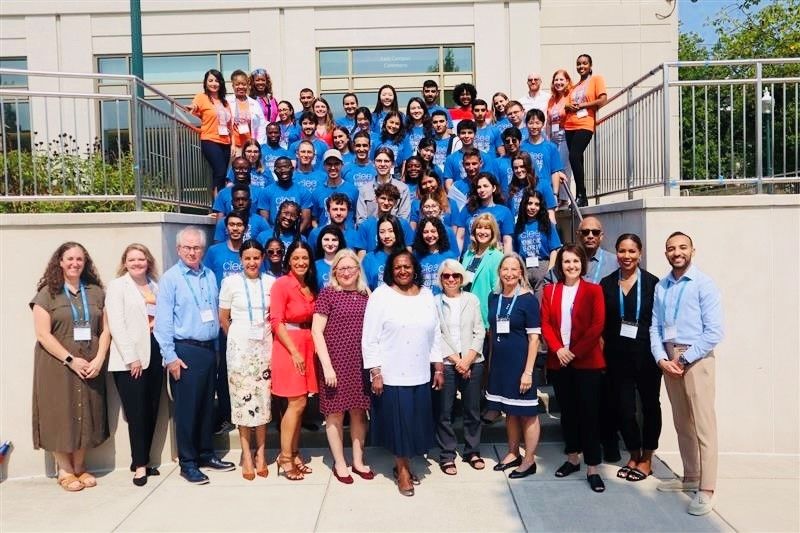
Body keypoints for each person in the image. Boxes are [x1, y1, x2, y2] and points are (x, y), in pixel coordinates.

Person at [154, 227, 235, 484]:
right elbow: (163, 322)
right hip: (184, 350)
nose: (192, 252)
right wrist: (170, 357)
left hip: (209, 349)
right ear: (178, 250)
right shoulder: (171, 279)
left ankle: (206, 453)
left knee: (205, 407)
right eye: (187, 247)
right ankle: (188, 462)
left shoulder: (209, 274)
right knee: (187, 410)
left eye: (197, 247)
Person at [650, 232, 723, 516]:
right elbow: (655, 327)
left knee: (704, 427)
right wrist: (661, 358)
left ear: (693, 250)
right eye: (671, 248)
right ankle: (690, 476)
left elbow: (714, 331)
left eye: (682, 247)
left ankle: (706, 489)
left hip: (697, 360)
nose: (676, 252)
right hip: (670, 361)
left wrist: (686, 359)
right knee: (682, 423)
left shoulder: (704, 284)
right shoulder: (662, 286)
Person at [362, 250, 444, 496]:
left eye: (407, 266)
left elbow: (435, 333)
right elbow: (370, 338)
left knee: (415, 424)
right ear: (390, 270)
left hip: (420, 372)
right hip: (392, 373)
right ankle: (403, 471)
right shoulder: (381, 296)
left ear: (414, 268)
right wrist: (375, 372)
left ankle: (405, 463)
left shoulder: (427, 295)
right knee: (400, 425)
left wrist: (438, 366)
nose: (402, 270)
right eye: (397, 267)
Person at [31, 242, 110, 492]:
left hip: (90, 363)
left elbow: (106, 329)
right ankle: (64, 470)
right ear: (60, 262)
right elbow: (43, 335)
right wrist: (70, 360)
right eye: (69, 259)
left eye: (79, 259)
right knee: (59, 412)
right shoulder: (48, 293)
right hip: (57, 365)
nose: (75, 263)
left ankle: (80, 466)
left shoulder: (96, 291)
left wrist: (99, 359)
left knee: (87, 410)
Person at [541, 244, 606, 493]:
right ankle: (572, 458)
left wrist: (574, 352)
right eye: (567, 262)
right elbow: (545, 322)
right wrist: (558, 348)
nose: (571, 266)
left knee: (588, 413)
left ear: (583, 264)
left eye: (576, 262)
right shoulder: (551, 290)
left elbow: (597, 325)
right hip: (559, 361)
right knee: (568, 411)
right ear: (560, 265)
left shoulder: (593, 290)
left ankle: (592, 467)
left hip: (586, 361)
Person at [599, 234, 661, 484]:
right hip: (616, 357)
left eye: (632, 251)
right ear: (616, 254)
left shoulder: (653, 283)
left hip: (647, 355)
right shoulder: (606, 283)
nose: (627, 256)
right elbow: (601, 323)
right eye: (622, 251)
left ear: (640, 253)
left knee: (649, 407)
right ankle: (634, 454)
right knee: (625, 409)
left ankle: (648, 458)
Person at [311, 249, 374, 484]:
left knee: (359, 413)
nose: (347, 272)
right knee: (335, 415)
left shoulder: (366, 294)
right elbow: (316, 331)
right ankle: (340, 463)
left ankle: (358, 460)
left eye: (352, 267)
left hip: (360, 364)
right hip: (335, 363)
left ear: (359, 270)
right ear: (334, 270)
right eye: (342, 268)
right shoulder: (328, 294)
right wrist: (327, 367)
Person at [106, 244, 163, 487]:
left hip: (155, 352)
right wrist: (132, 358)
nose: (137, 263)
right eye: (132, 259)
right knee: (137, 412)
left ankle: (144, 460)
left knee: (151, 409)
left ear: (148, 262)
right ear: (125, 262)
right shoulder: (118, 286)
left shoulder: (155, 285)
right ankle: (139, 467)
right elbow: (116, 324)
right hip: (131, 360)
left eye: (141, 259)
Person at [217, 240, 275, 480]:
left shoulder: (272, 282)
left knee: (263, 400)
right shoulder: (230, 283)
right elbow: (224, 318)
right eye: (247, 258)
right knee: (242, 402)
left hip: (265, 348)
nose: (252, 262)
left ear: (262, 258)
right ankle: (246, 455)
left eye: (256, 257)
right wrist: (238, 341)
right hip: (240, 350)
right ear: (241, 260)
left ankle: (261, 452)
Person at [486, 254, 542, 479]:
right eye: (505, 269)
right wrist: (490, 366)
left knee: (527, 413)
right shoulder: (493, 297)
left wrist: (528, 371)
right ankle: (512, 453)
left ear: (521, 272)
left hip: (521, 365)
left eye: (514, 269)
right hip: (500, 364)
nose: (509, 273)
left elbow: (534, 339)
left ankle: (528, 460)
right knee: (509, 410)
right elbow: (492, 334)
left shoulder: (528, 300)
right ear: (499, 271)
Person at [270, 240, 319, 480]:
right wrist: (294, 351)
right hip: (289, 347)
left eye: (305, 258)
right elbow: (276, 321)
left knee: (301, 404)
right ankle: (285, 457)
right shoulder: (282, 284)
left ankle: (295, 452)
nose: (301, 262)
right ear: (289, 260)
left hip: (307, 343)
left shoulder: (309, 285)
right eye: (296, 258)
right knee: (296, 403)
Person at [433, 259, 486, 476]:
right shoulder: (434, 302)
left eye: (455, 275)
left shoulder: (471, 300)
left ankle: (472, 451)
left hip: (473, 362)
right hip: (447, 363)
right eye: (446, 276)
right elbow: (436, 335)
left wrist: (468, 359)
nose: (451, 279)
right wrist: (457, 361)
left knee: (472, 410)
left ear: (462, 278)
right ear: (440, 279)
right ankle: (447, 454)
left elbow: (479, 330)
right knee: (444, 412)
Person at [564, 54, 607, 207]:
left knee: (574, 156)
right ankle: (581, 197)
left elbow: (603, 99)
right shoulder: (574, 87)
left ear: (590, 65)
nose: (581, 66)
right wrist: (567, 106)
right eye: (578, 64)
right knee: (578, 159)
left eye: (584, 63)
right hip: (569, 125)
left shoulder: (596, 80)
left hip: (585, 123)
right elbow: (567, 105)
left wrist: (583, 106)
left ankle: (582, 193)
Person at [187, 69, 232, 195]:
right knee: (220, 170)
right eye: (210, 80)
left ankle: (220, 204)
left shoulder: (225, 102)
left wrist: (232, 144)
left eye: (217, 81)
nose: (214, 83)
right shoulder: (202, 97)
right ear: (206, 83)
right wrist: (192, 107)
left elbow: (230, 124)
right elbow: (195, 105)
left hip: (226, 141)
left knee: (222, 175)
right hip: (210, 139)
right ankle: (217, 206)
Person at [514, 188, 562, 299]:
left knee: (541, 306)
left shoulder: (547, 224)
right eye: (530, 203)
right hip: (524, 269)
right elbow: (516, 251)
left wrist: (549, 271)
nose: (532, 207)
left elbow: (554, 249)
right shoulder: (519, 225)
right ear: (524, 204)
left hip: (542, 267)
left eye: (537, 204)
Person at [460, 213, 505, 331]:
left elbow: (497, 289)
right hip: (466, 312)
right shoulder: (468, 254)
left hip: (484, 315)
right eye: (479, 227)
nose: (482, 231)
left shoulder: (497, 256)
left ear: (493, 232)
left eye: (487, 228)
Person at [456, 172, 514, 253]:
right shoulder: (467, 209)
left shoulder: (504, 211)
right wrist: (457, 259)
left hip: (493, 258)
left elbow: (507, 240)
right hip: (469, 257)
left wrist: (506, 262)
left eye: (485, 186)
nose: (482, 190)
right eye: (479, 187)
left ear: (494, 188)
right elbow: (460, 237)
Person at [521, 108, 567, 202]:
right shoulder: (522, 147)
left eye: (537, 123)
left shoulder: (551, 147)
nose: (534, 126)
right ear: (526, 124)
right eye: (530, 123)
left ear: (542, 124)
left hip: (546, 192)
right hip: (526, 191)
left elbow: (555, 172)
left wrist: (555, 194)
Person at [355, 149, 411, 223]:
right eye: (379, 161)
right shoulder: (364, 189)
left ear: (393, 164)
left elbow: (404, 219)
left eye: (386, 161)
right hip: (370, 232)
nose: (382, 164)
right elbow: (360, 220)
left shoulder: (403, 189)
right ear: (373, 163)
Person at [259, 156, 312, 231]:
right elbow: (264, 221)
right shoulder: (266, 192)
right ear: (275, 171)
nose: (283, 170)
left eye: (286, 167)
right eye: (279, 168)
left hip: (295, 234)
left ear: (292, 169)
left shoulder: (304, 192)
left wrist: (295, 238)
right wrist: (275, 238)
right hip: (274, 235)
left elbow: (306, 220)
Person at [547, 69, 574, 206]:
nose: (558, 82)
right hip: (553, 136)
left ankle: (564, 198)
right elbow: (549, 120)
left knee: (563, 167)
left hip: (565, 134)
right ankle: (556, 196)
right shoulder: (552, 100)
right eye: (556, 80)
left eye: (561, 79)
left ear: (567, 81)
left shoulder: (571, 95)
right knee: (553, 167)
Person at [311, 149, 358, 227]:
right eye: (329, 164)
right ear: (324, 166)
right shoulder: (317, 192)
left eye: (336, 164)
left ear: (342, 165)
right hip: (326, 237)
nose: (333, 167)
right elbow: (314, 220)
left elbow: (356, 217)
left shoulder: (353, 190)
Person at [226, 69, 267, 154]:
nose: (241, 87)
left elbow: (261, 126)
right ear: (233, 86)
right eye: (237, 84)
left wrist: (258, 144)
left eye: (244, 84)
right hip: (233, 146)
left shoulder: (255, 103)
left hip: (250, 147)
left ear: (248, 85)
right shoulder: (227, 101)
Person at [361, 214, 407, 290]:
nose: (386, 236)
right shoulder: (369, 258)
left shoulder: (407, 257)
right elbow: (364, 286)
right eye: (382, 232)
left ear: (397, 232)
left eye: (391, 231)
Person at [506, 152, 557, 221]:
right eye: (515, 168)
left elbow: (551, 213)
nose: (519, 170)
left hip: (538, 228)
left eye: (522, 166)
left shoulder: (543, 185)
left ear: (528, 166)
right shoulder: (511, 188)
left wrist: (552, 230)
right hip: (517, 228)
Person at [412, 216, 456, 293]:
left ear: (439, 232)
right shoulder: (416, 255)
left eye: (433, 231)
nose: (429, 235)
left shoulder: (449, 255)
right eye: (425, 232)